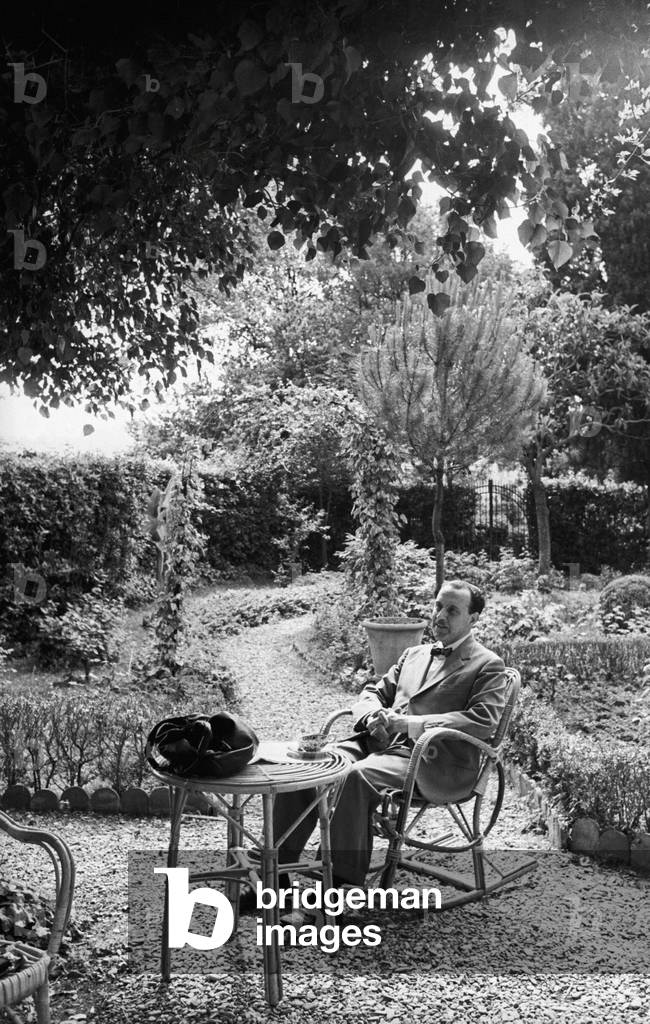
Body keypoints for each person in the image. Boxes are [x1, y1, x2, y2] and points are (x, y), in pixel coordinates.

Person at [242, 578, 507, 910]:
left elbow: (483, 720)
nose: (440, 615)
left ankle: (338, 892)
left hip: (430, 759)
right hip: (378, 744)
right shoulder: (414, 654)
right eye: (438, 606)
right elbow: (372, 692)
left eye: (452, 610)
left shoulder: (487, 664)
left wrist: (409, 724)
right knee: (309, 765)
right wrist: (372, 717)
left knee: (357, 777)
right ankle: (274, 880)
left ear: (473, 618)